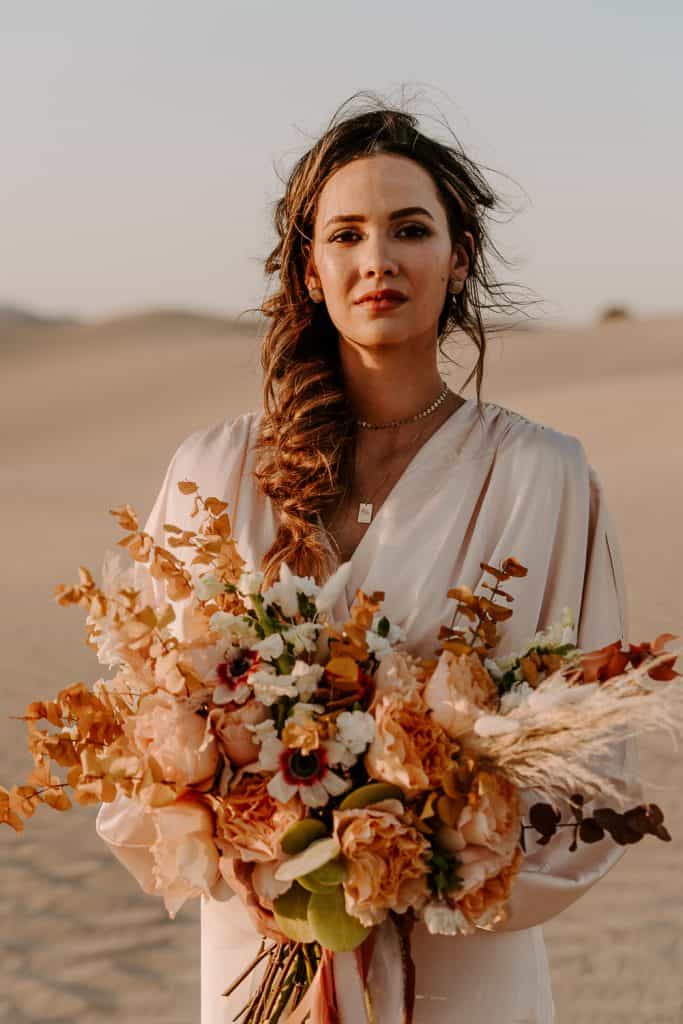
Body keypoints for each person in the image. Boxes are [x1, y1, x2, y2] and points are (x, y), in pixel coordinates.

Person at [96, 96, 640, 1023]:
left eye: (410, 229)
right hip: (257, 946)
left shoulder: (540, 476)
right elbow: (139, 733)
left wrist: (422, 849)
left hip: (462, 956)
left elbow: (590, 758)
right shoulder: (211, 472)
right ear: (309, 268)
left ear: (457, 256)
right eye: (344, 234)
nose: (377, 259)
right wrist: (257, 844)